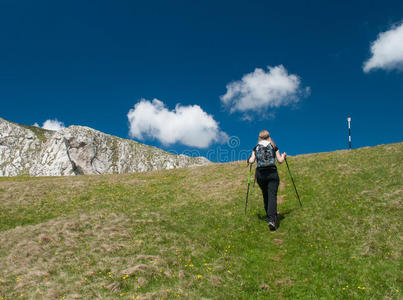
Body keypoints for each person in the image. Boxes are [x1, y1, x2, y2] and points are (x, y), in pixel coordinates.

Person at [248, 130, 286, 231]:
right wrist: (283, 156)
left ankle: (269, 217)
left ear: (259, 137)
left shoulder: (256, 147)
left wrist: (249, 159)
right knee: (272, 195)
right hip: (272, 172)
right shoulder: (273, 146)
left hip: (261, 174)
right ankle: (272, 219)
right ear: (269, 136)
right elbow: (280, 161)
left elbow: (252, 160)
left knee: (265, 194)